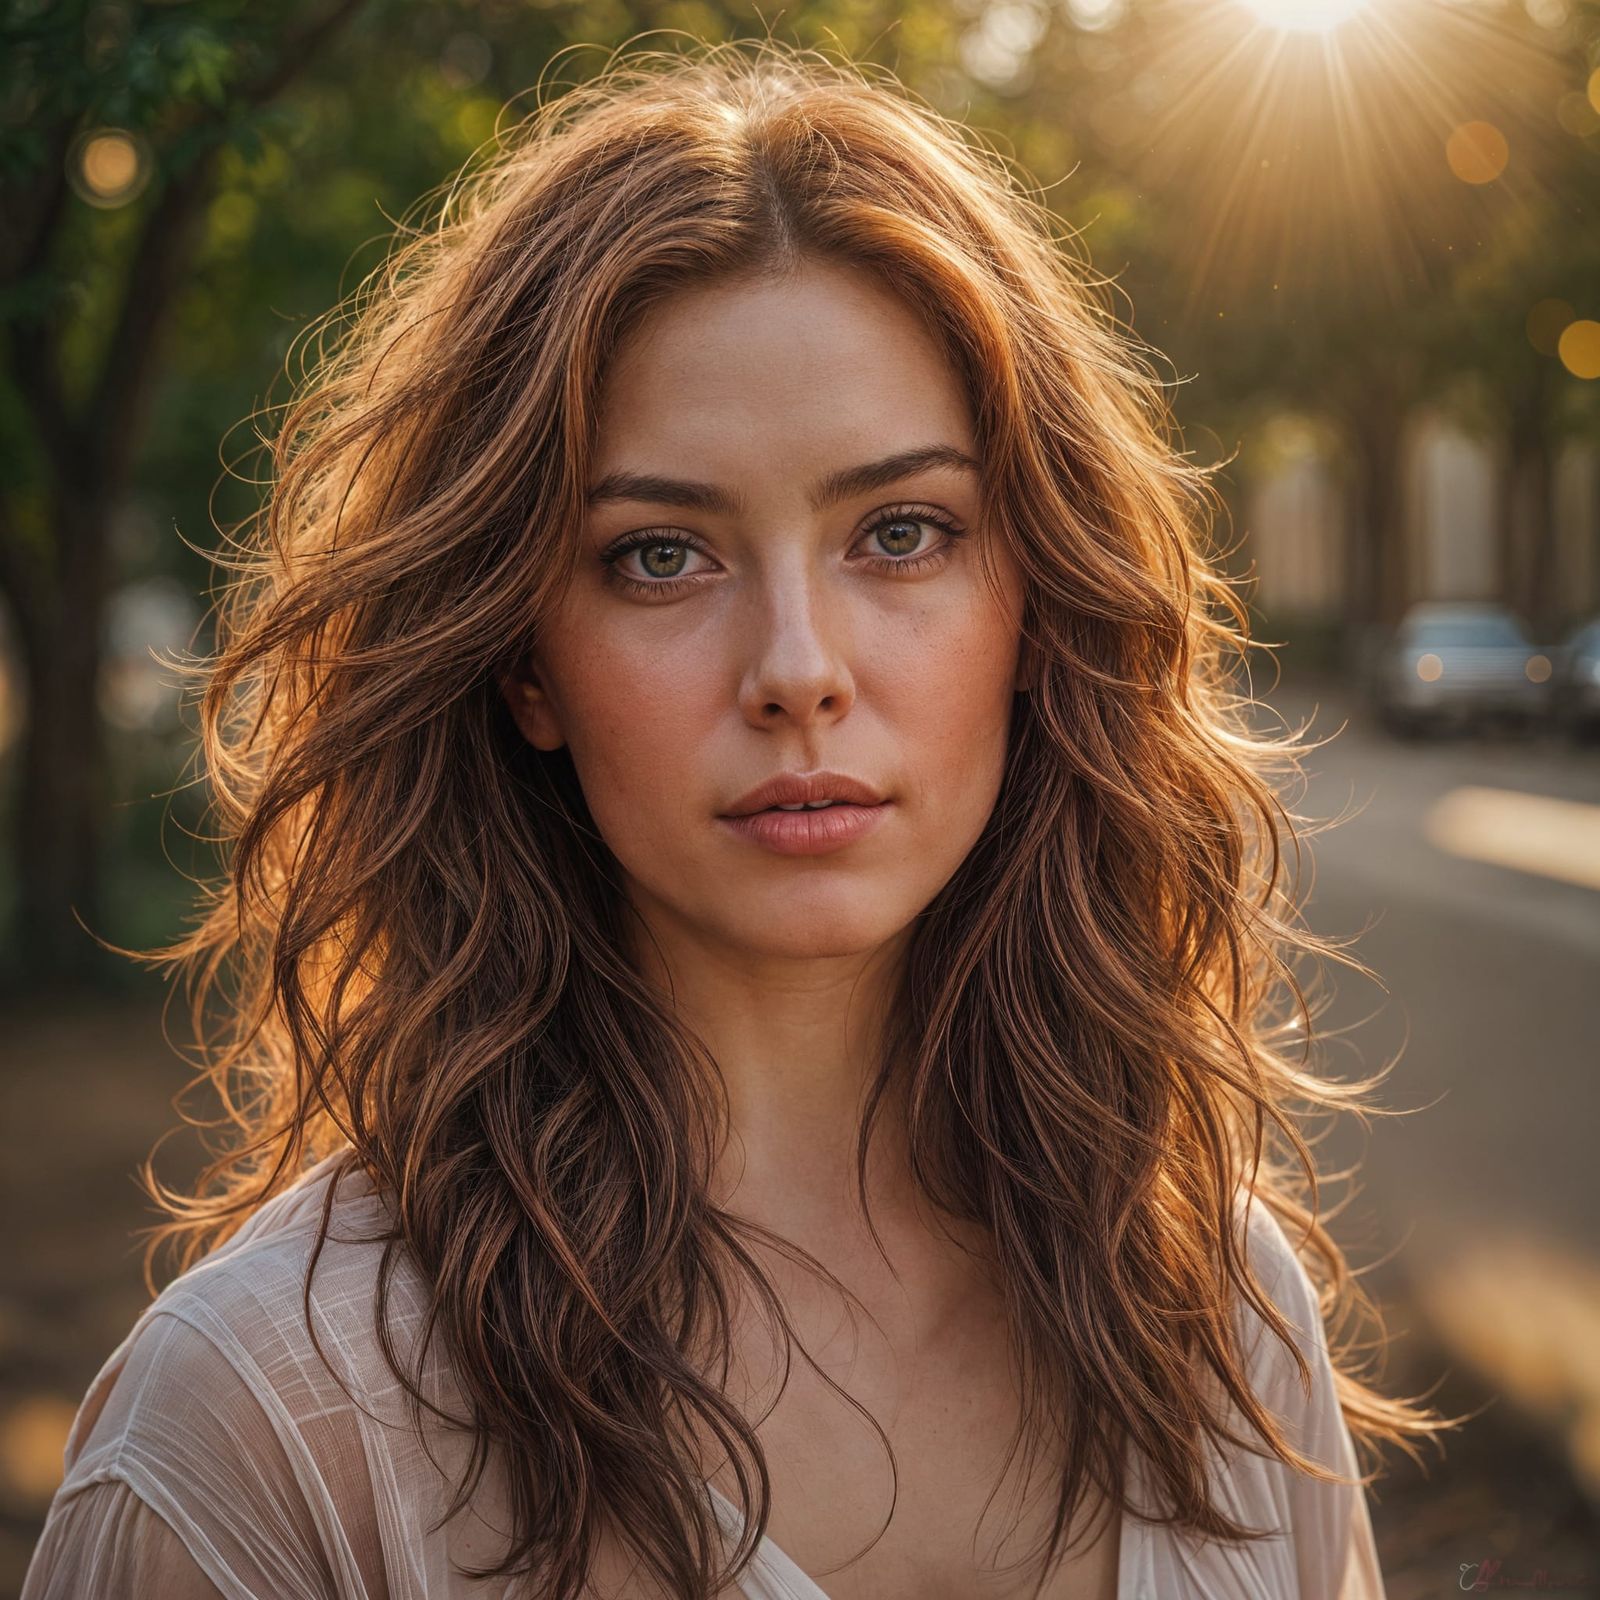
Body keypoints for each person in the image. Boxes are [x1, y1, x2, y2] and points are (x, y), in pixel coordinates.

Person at [22, 38, 1445, 1600]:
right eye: (660, 556)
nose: (797, 672)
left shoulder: (1218, 1312)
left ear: (1034, 606)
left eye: (900, 532)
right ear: (522, 662)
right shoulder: (260, 1435)